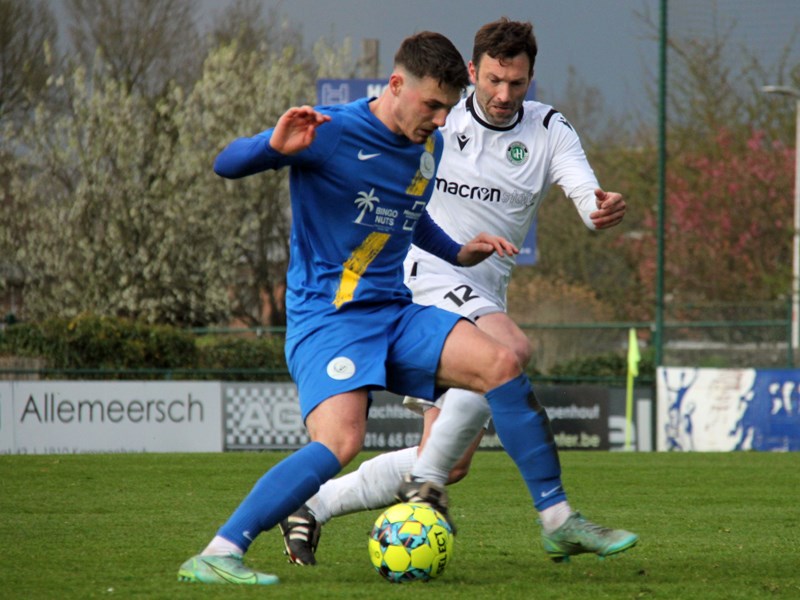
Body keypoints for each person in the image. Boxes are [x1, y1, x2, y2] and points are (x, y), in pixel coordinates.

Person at [176, 29, 563, 586]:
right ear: (395, 84)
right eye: (430, 104)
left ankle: (558, 518)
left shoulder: (429, 146)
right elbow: (224, 163)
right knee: (340, 442)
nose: (438, 118)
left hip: (394, 313)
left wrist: (458, 250)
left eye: (447, 108)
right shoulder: (329, 132)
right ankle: (219, 550)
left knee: (501, 361)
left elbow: (411, 216)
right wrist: (271, 149)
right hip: (329, 320)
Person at [280, 17, 636, 567]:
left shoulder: (548, 130)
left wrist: (599, 209)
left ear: (530, 78)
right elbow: (378, 144)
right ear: (473, 72)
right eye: (493, 80)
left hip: (486, 291)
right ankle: (548, 516)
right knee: (510, 352)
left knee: (454, 460)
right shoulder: (439, 120)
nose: (502, 94)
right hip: (425, 275)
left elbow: (584, 192)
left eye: (516, 84)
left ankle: (313, 505)